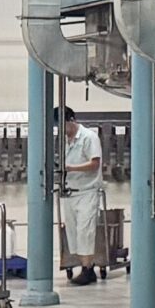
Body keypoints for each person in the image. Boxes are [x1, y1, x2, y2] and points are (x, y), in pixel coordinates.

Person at [59, 108, 107, 286]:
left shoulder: (89, 137)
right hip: (70, 192)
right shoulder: (65, 141)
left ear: (71, 120)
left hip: (87, 192)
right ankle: (86, 266)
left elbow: (95, 164)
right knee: (73, 233)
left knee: (84, 232)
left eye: (62, 125)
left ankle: (88, 270)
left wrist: (70, 168)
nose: (61, 129)